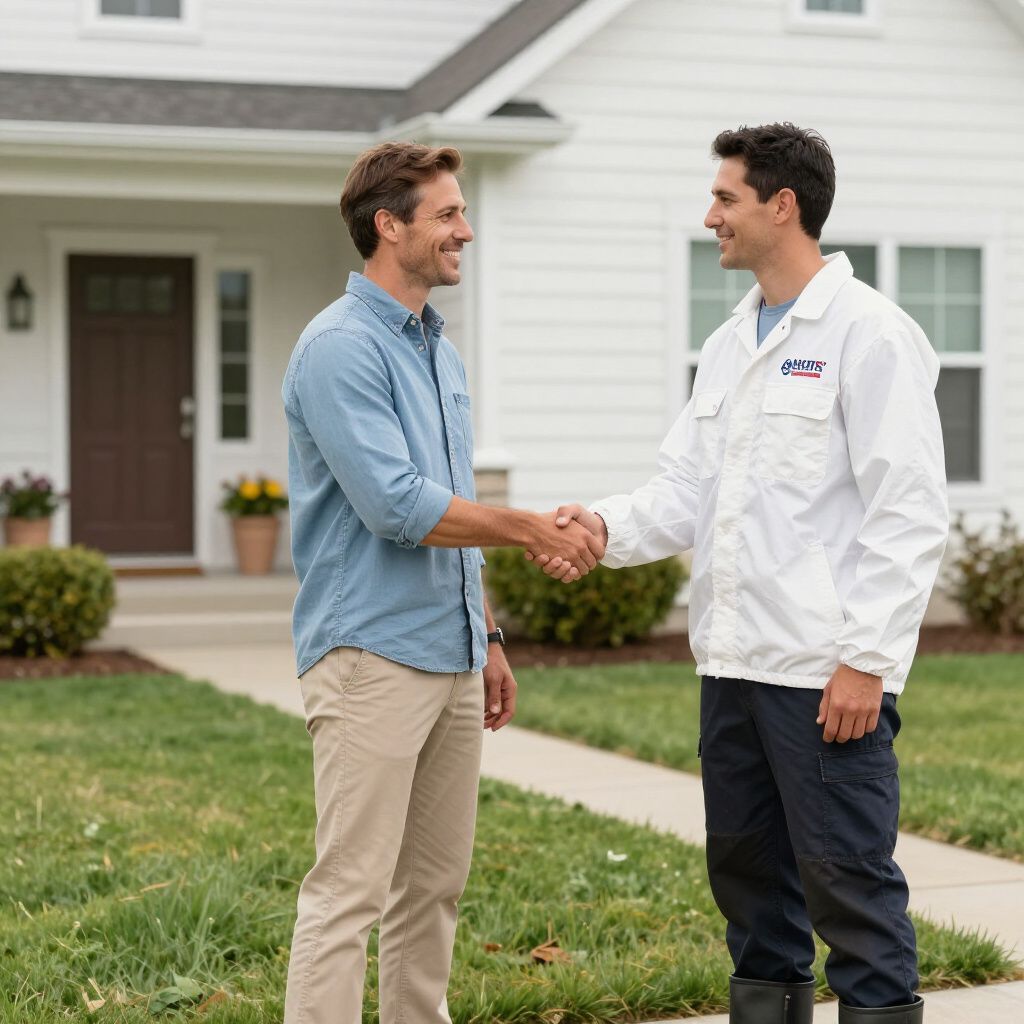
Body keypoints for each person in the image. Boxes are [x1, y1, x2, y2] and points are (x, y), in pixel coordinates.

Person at [542, 123, 947, 1023]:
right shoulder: (731, 342)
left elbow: (909, 512)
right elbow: (688, 489)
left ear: (782, 205)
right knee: (750, 891)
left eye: (725, 198)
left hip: (821, 676)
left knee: (850, 891)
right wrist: (599, 528)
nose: (710, 215)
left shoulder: (870, 334)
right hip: (731, 668)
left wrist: (867, 662)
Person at [280, 141, 604, 1024]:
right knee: (351, 889)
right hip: (369, 653)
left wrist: (488, 637)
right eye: (449, 214)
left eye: (464, 210)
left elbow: (448, 504)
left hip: (451, 654)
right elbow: (396, 505)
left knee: (434, 887)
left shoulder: (438, 352)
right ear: (390, 226)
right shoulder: (339, 349)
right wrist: (529, 527)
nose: (468, 228)